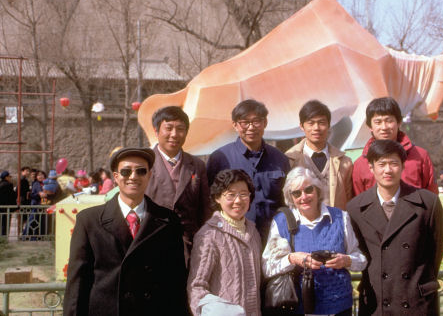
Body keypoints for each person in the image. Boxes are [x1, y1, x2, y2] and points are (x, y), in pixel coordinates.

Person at [63, 147, 189, 316]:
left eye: (141, 171)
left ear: (149, 175)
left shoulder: (168, 221)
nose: (133, 177)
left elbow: (176, 281)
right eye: (125, 171)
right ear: (115, 177)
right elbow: (77, 283)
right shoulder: (89, 221)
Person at [347, 139, 443, 315]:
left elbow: (435, 252)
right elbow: (359, 252)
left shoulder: (428, 203)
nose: (388, 170)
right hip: (376, 301)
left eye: (393, 163)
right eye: (381, 164)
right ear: (371, 168)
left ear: (403, 165)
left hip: (416, 300)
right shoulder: (356, 207)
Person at [263, 167, 366, 315]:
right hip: (301, 308)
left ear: (318, 190)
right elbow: (268, 267)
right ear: (290, 197)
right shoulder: (282, 222)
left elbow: (361, 260)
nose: (303, 197)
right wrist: (292, 258)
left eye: (308, 190)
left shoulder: (340, 217)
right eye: (296, 193)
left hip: (340, 308)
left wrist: (346, 261)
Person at [207, 99, 290, 243]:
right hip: (231, 236)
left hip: (273, 237)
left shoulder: (280, 159)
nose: (251, 127)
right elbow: (210, 200)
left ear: (265, 123)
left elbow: (287, 200)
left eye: (256, 121)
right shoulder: (220, 158)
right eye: (245, 122)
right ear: (235, 125)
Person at [188, 169, 261, 316]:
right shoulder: (209, 235)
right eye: (231, 195)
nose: (238, 200)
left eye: (243, 194)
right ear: (217, 198)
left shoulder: (253, 232)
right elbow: (196, 287)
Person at [145, 106, 211, 263]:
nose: (174, 134)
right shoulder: (144, 162)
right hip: (150, 241)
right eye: (168, 128)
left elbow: (205, 209)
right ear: (156, 131)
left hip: (189, 245)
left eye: (180, 129)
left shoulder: (197, 165)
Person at [352, 97, 436, 196]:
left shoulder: (420, 156)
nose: (384, 127)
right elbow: (358, 203)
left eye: (389, 121)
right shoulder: (361, 164)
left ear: (399, 122)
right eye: (378, 122)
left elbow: (432, 198)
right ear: (370, 126)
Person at [285, 100, 353, 209]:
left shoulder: (345, 162)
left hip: (336, 223)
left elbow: (350, 200)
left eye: (321, 123)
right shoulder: (289, 160)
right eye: (311, 123)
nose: (316, 128)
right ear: (302, 126)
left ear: (329, 125)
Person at [0, 171, 16, 236]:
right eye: (9, 177)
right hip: (7, 207)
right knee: (5, 224)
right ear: (6, 177)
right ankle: (4, 238)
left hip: (1, 207)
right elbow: (11, 197)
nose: (10, 178)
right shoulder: (9, 185)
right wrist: (15, 207)